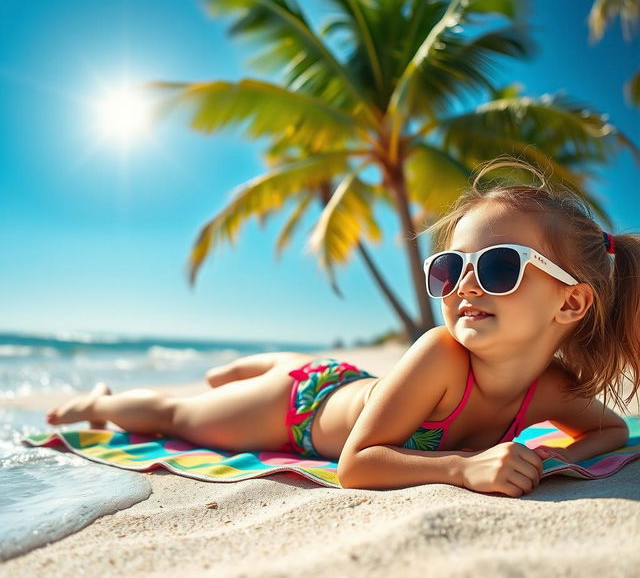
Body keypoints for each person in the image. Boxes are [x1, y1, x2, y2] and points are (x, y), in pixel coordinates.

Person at [46, 158, 638, 497]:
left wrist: (549, 463)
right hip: (304, 406)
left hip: (361, 389)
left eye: (499, 266)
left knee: (231, 387)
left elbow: (611, 433)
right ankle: (106, 401)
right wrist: (462, 467)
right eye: (449, 267)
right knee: (179, 416)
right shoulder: (440, 354)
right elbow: (357, 464)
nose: (464, 285)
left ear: (571, 304)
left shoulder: (553, 391)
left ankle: (259, 365)